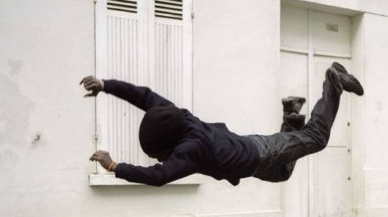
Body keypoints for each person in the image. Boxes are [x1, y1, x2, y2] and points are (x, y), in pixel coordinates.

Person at [81, 62, 363, 186]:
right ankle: (291, 113)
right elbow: (143, 96)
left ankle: (333, 80)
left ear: (168, 146)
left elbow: (158, 177)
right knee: (283, 174)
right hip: (253, 156)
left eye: (158, 154)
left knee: (317, 138)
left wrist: (115, 167)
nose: (159, 159)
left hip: (261, 152)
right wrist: (106, 85)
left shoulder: (191, 148)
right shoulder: (175, 116)